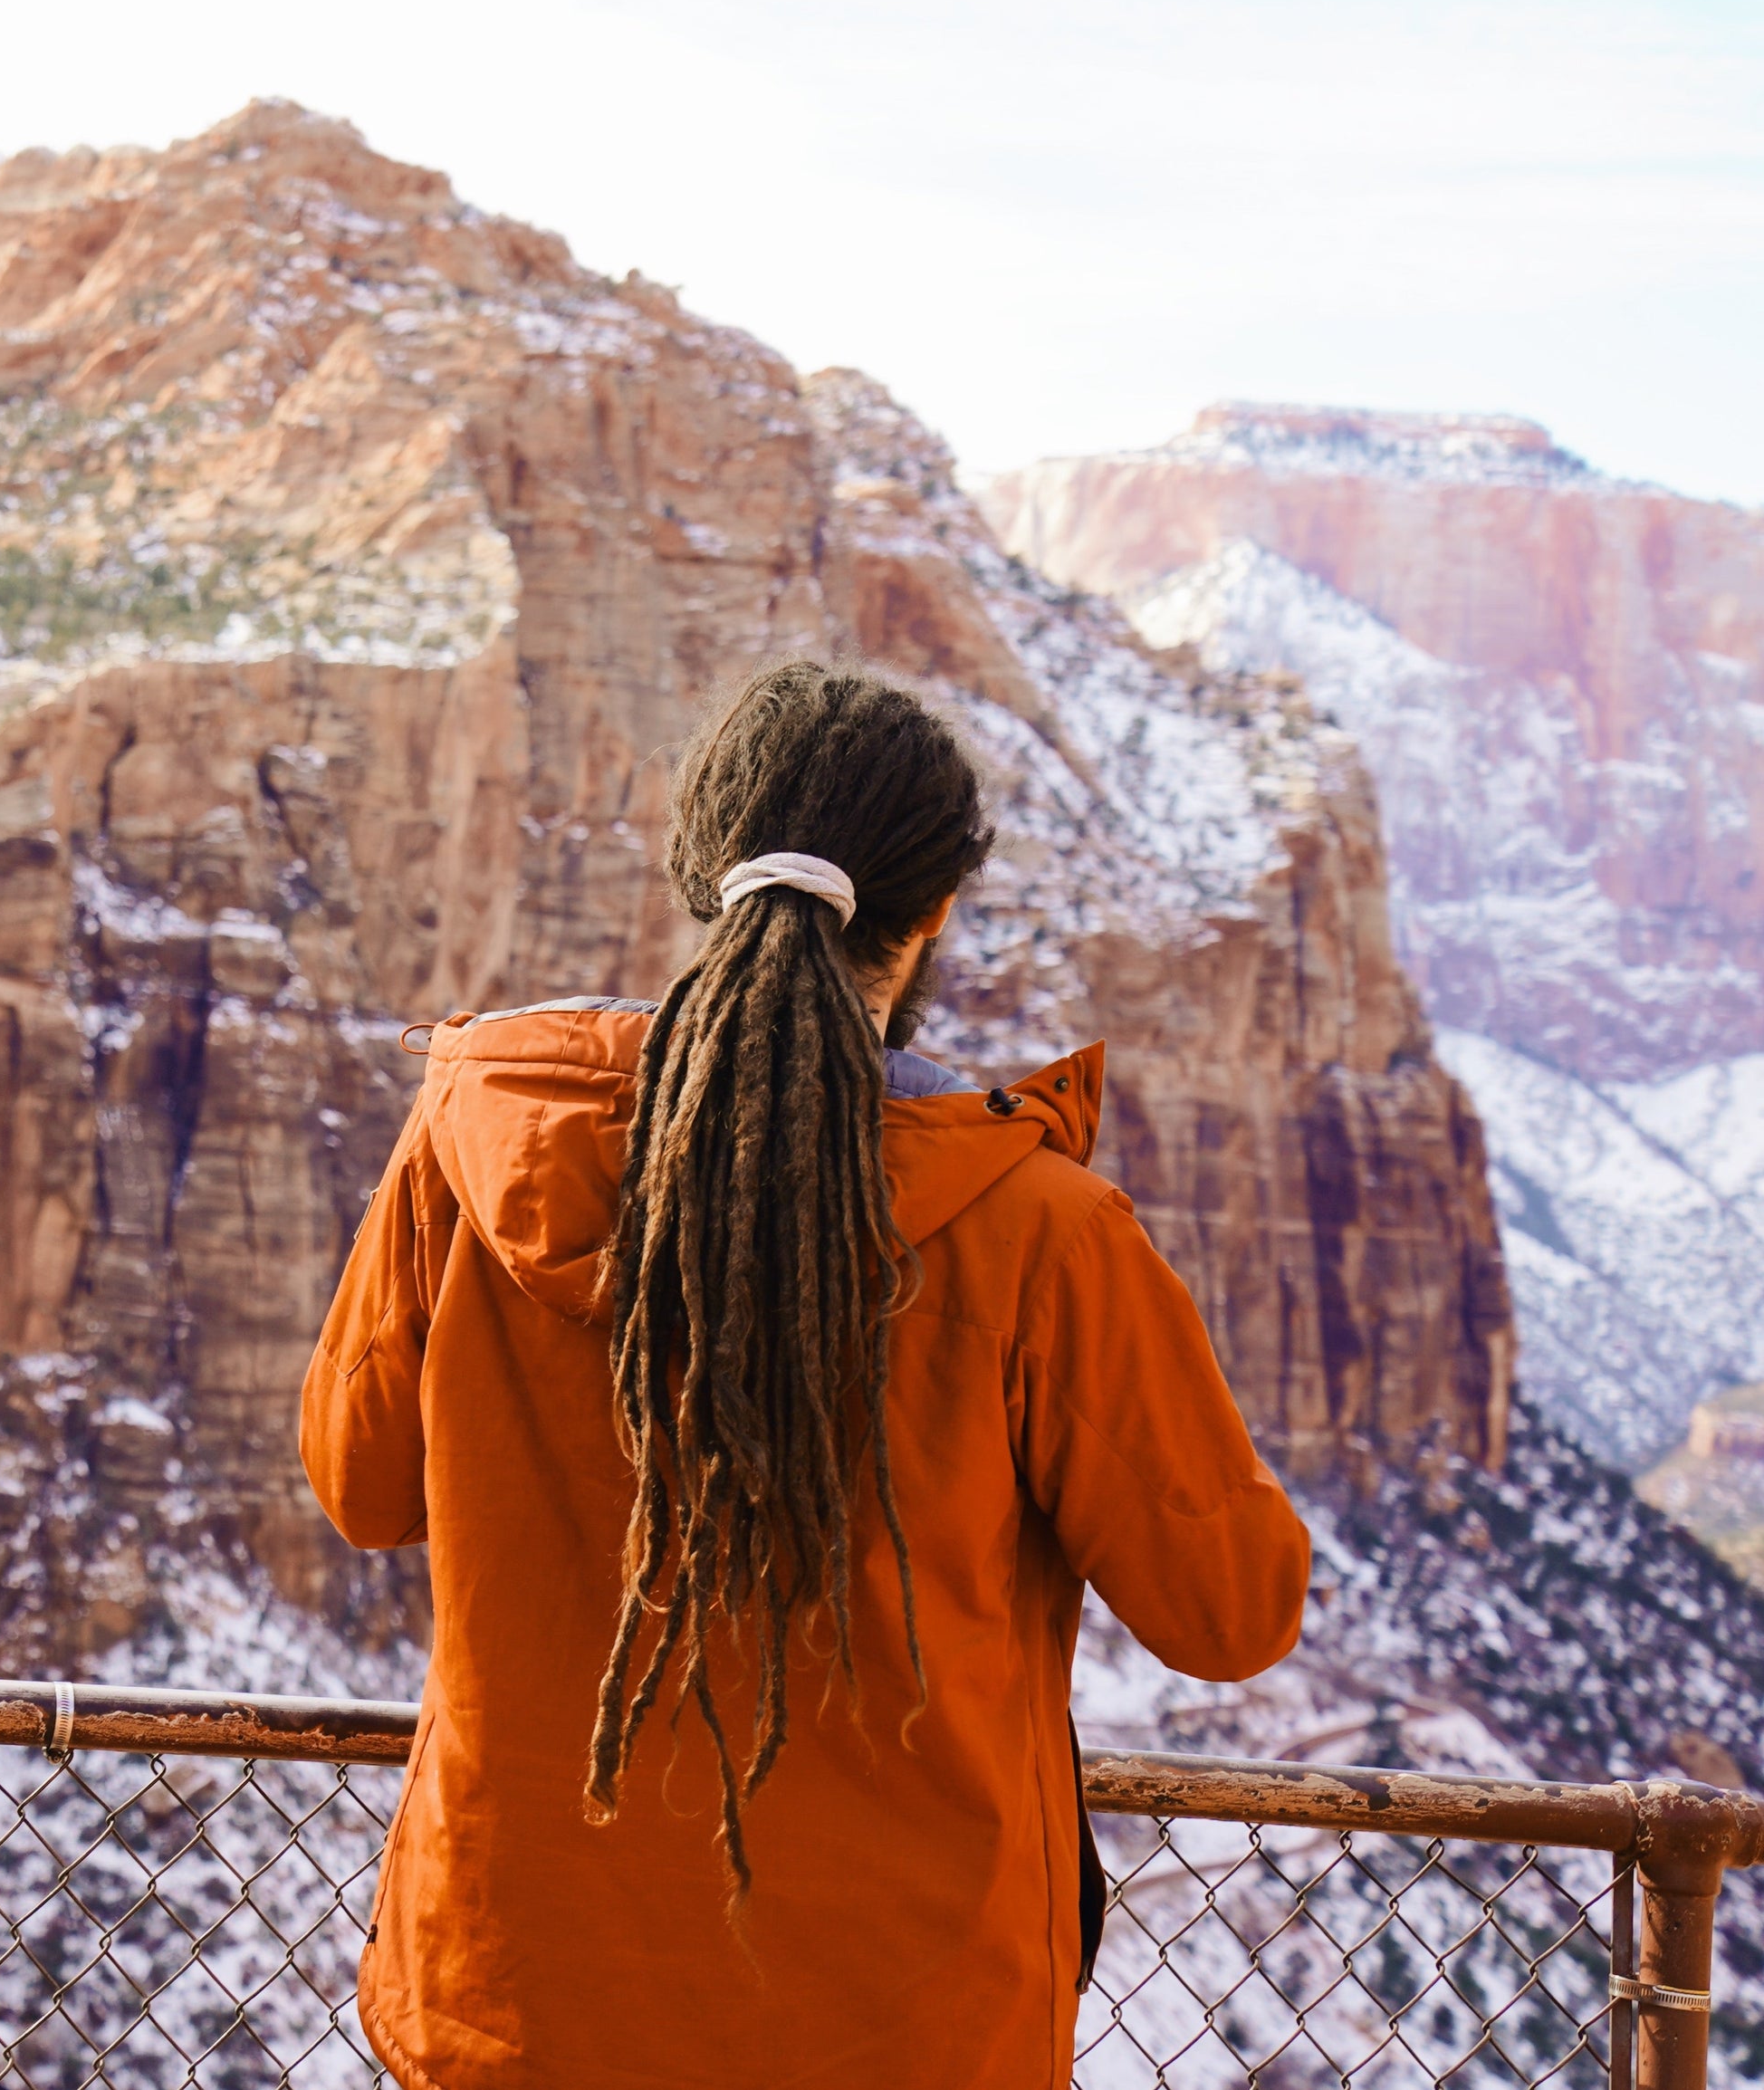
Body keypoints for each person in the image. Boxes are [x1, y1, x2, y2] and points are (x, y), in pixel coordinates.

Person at [302, 660, 1309, 2089]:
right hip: (903, 2028)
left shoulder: (478, 1153)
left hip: (520, 2007)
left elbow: (359, 1485)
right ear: (935, 914)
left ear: (694, 875)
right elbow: (1233, 1609)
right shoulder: (1043, 1238)